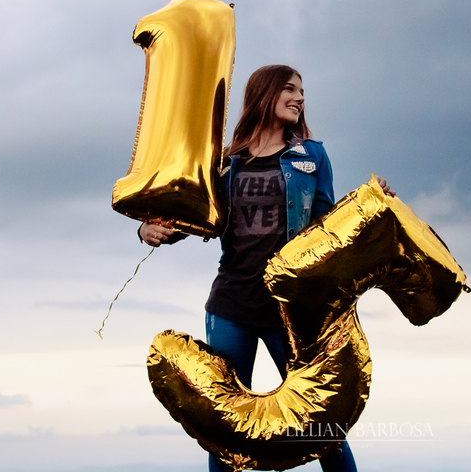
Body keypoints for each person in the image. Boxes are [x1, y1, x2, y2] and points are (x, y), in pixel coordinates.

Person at [138, 65, 392, 472]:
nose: (300, 98)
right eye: (290, 89)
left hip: (290, 311)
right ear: (265, 94)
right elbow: (196, 218)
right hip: (232, 306)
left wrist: (369, 206)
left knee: (322, 425)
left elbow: (325, 225)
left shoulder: (312, 156)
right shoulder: (226, 162)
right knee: (225, 428)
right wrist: (148, 229)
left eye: (303, 92)